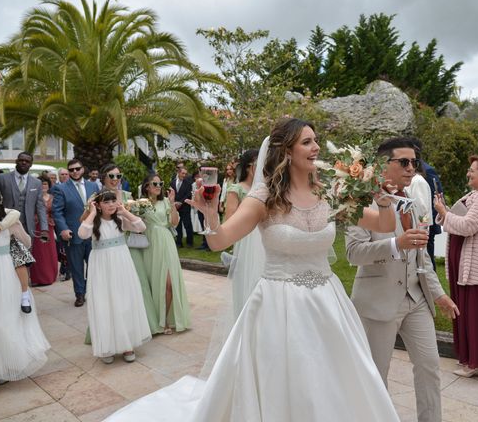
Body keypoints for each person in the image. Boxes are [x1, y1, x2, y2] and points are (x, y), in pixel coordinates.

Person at [106, 118, 401, 421]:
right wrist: (211, 217)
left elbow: (383, 225)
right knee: (287, 379)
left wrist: (384, 202)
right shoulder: (264, 199)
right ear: (286, 151)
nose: (315, 148)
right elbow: (221, 241)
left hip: (328, 302)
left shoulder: (331, 192)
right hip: (279, 306)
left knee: (335, 378)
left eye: (315, 141)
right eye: (307, 142)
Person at [346, 136, 458, 422]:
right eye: (404, 162)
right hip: (378, 302)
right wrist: (396, 243)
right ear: (384, 165)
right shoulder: (360, 202)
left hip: (416, 299)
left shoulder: (413, 203)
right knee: (375, 374)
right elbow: (353, 253)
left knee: (430, 366)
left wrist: (438, 293)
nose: (412, 169)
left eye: (415, 163)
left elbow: (422, 258)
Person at [0, 186, 50, 396]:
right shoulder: (8, 219)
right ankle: (4, 368)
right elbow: (27, 241)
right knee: (5, 318)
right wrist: (5, 226)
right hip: (3, 272)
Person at [434, 154, 478, 378]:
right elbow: (458, 218)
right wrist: (444, 212)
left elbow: (468, 226)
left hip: (475, 261)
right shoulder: (476, 194)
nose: (468, 173)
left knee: (474, 311)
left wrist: (445, 213)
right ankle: (470, 357)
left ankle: (477, 363)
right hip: (464, 258)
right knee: (465, 309)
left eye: (472, 170)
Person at [78, 190, 152, 364]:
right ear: (98, 204)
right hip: (101, 265)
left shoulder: (120, 219)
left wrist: (125, 211)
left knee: (124, 301)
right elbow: (82, 233)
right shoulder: (93, 222)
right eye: (106, 202)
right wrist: (92, 213)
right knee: (104, 303)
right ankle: (107, 346)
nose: (111, 205)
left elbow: (141, 227)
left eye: (113, 201)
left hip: (121, 263)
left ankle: (128, 345)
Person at [98, 163, 159, 334]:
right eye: (112, 176)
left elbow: (136, 220)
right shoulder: (97, 197)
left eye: (119, 176)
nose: (116, 180)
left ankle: (143, 325)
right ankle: (113, 331)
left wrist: (139, 213)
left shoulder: (127, 195)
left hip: (129, 244)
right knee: (111, 289)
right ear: (104, 177)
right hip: (108, 247)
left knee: (138, 283)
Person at [0, 151, 49, 313]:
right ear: (16, 161)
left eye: (27, 161)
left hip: (27, 229)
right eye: (21, 160)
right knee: (6, 261)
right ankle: (7, 293)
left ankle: (23, 294)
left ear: (31, 164)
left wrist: (45, 228)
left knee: (24, 261)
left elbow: (40, 206)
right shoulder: (3, 179)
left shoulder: (36, 183)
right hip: (5, 228)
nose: (24, 163)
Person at [141, 174, 191, 334]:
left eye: (160, 183)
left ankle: (166, 321)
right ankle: (154, 320)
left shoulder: (165, 202)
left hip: (166, 241)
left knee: (169, 283)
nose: (158, 186)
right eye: (154, 183)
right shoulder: (140, 203)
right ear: (147, 186)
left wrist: (171, 203)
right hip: (149, 244)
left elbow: (174, 222)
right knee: (153, 282)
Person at [52, 159, 99, 307]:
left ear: (83, 169)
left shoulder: (93, 185)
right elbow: (57, 212)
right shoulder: (61, 188)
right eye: (71, 170)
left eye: (77, 169)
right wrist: (63, 229)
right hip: (73, 234)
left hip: (93, 233)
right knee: (76, 267)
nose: (74, 172)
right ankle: (79, 294)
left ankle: (92, 291)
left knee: (94, 266)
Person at [222, 149, 260, 317]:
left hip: (265, 241)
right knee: (247, 283)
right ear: (249, 167)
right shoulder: (236, 189)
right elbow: (229, 220)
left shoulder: (267, 189)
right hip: (246, 241)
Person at [411, 138, 443, 268]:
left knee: (426, 262)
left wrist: (424, 228)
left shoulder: (424, 174)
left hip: (423, 225)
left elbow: (431, 199)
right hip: (417, 227)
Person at [30, 174, 59, 285]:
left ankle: (49, 277)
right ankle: (37, 278)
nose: (43, 186)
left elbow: (56, 212)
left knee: (49, 252)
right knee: (38, 252)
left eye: (45, 183)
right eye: (41, 184)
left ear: (49, 185)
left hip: (49, 227)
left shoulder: (53, 197)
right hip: (37, 226)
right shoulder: (33, 197)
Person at [170, 162, 194, 248]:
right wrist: (175, 203)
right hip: (176, 207)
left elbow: (188, 194)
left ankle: (190, 242)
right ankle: (179, 242)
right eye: (183, 173)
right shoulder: (172, 182)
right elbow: (171, 193)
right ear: (178, 173)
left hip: (185, 206)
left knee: (187, 224)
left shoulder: (188, 183)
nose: (184, 175)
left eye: (185, 174)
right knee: (178, 225)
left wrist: (181, 202)